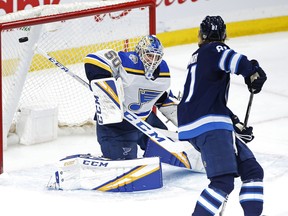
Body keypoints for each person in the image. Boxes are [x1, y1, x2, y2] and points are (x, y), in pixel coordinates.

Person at [177, 16, 267, 215]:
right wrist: (253, 71)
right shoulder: (215, 50)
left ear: (201, 34)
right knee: (222, 182)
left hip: (209, 122)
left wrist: (233, 123)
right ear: (223, 36)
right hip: (209, 124)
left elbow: (206, 99)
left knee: (252, 170)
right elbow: (237, 61)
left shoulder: (200, 56)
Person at [84, 35, 178, 160]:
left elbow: (160, 97)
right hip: (116, 126)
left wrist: (185, 121)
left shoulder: (163, 72)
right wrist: (103, 86)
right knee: (125, 163)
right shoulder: (128, 61)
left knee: (170, 151)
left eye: (157, 57)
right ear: (140, 52)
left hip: (145, 121)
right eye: (149, 55)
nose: (153, 61)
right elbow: (94, 59)